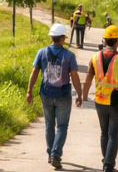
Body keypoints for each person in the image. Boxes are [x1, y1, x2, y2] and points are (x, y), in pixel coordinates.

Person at [25, 23, 82, 171]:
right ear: (62, 38)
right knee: (62, 126)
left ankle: (50, 154)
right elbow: (74, 76)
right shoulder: (69, 55)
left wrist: (29, 91)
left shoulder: (41, 52)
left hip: (46, 93)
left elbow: (34, 72)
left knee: (49, 125)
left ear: (51, 37)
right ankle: (56, 154)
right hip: (63, 95)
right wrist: (80, 94)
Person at [79, 25, 118, 172]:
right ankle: (108, 166)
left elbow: (88, 77)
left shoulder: (94, 57)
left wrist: (84, 96)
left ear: (105, 40)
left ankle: (106, 160)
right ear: (117, 41)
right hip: (116, 102)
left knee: (104, 132)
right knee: (114, 135)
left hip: (100, 101)